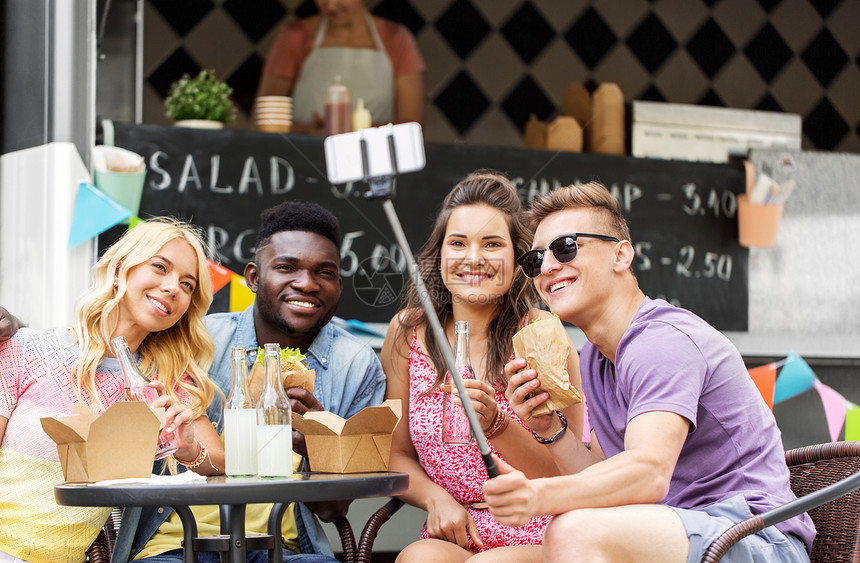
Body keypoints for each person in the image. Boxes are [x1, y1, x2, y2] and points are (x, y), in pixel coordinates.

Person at [482, 182, 816, 562]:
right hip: (675, 530)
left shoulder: (661, 340)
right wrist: (550, 430)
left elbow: (647, 473)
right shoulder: (594, 356)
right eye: (535, 259)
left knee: (571, 529)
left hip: (754, 537)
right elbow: (609, 475)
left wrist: (538, 496)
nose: (549, 266)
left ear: (621, 255)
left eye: (566, 247)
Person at [114, 201, 387, 563]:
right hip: (176, 544)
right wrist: (13, 330)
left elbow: (333, 510)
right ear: (254, 278)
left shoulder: (356, 365)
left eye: (324, 272)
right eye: (287, 267)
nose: (306, 284)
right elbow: (112, 348)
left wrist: (317, 444)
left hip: (285, 549)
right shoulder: (197, 340)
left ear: (338, 284)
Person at [381, 171, 584, 563]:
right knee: (417, 559)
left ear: (517, 257)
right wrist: (435, 499)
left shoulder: (542, 334)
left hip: (541, 528)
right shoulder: (408, 331)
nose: (473, 258)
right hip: (458, 528)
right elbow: (394, 452)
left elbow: (570, 471)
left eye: (492, 244)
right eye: (458, 243)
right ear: (440, 253)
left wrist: (497, 425)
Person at [0, 219, 222, 563]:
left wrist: (189, 448)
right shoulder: (25, 349)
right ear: (119, 270)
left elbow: (220, 464)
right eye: (160, 267)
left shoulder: (163, 383)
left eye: (187, 285)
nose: (172, 287)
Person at [255, 0, 425, 133]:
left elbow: (412, 127)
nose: (331, 5)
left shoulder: (397, 39)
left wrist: (358, 131)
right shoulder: (294, 36)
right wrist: (307, 130)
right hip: (306, 158)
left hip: (374, 163)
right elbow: (263, 121)